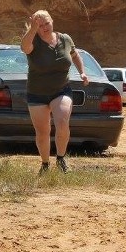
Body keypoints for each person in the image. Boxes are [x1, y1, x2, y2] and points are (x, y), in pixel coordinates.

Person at [21, 10, 89, 174]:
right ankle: (45, 164)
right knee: (43, 132)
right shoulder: (33, 40)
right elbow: (25, 47)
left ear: (52, 21)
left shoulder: (65, 39)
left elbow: (74, 54)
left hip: (61, 90)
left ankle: (60, 158)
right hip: (37, 93)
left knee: (62, 121)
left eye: (46, 23)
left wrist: (82, 72)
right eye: (40, 25)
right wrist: (32, 29)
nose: (44, 27)